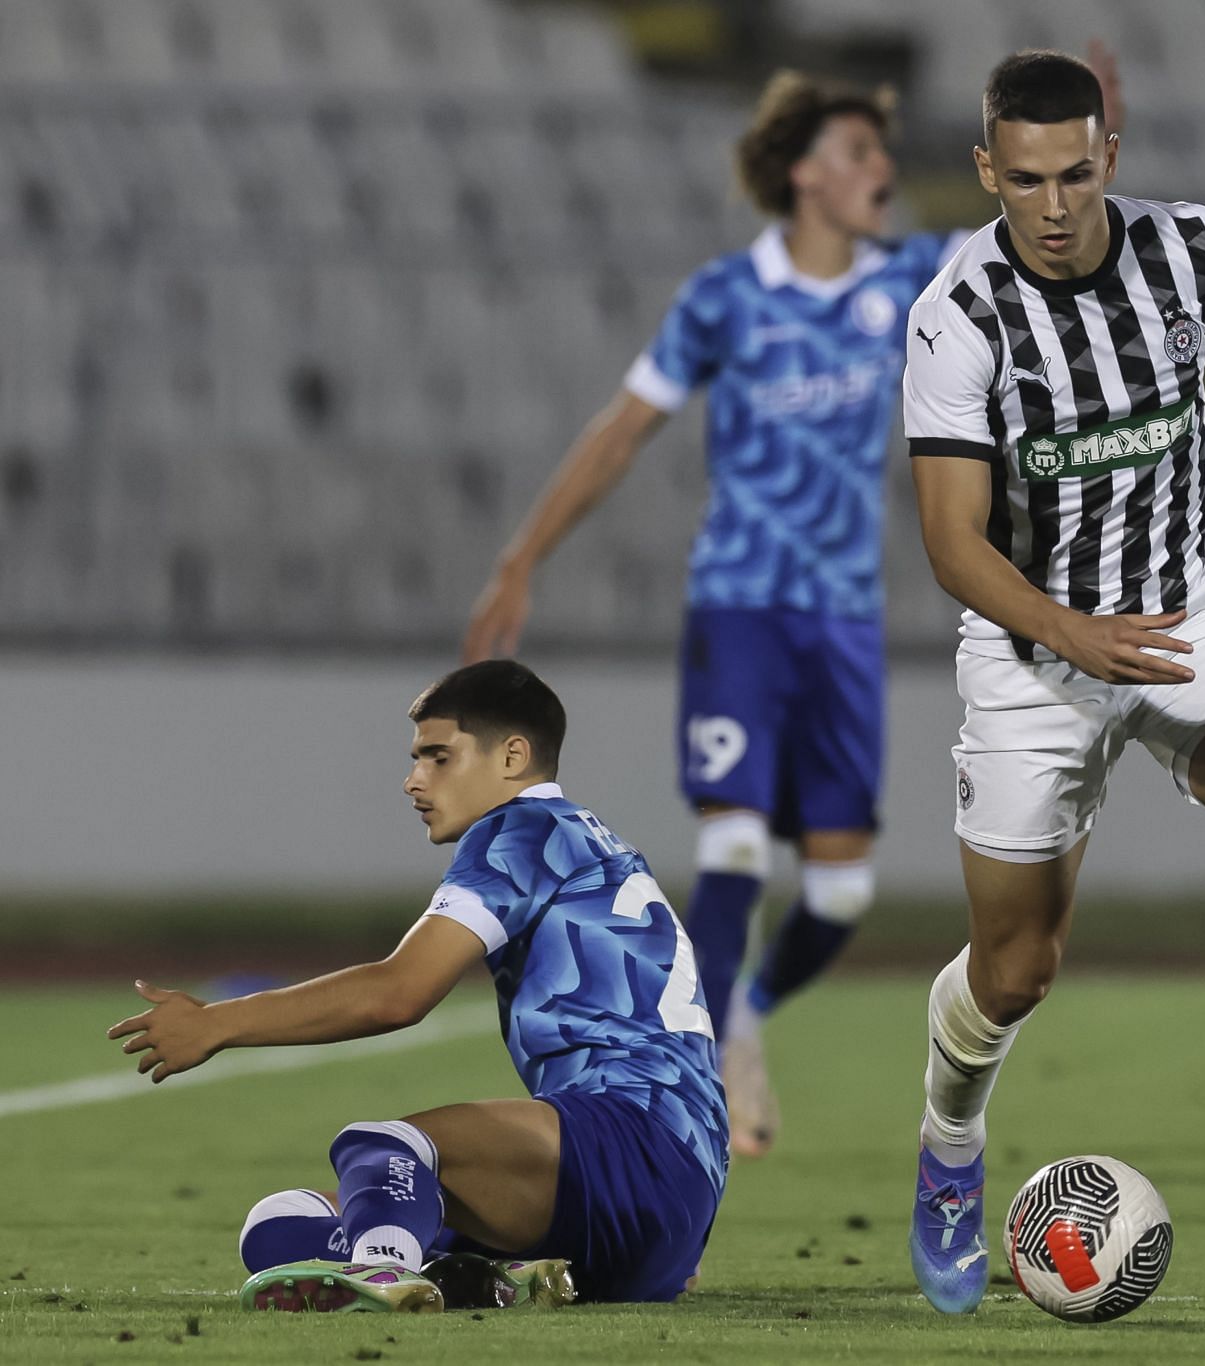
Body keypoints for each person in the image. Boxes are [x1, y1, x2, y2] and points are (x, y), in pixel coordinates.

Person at [461, 57, 1121, 1158]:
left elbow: (1042, 256)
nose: (881, 170)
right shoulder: (725, 297)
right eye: (861, 151)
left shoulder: (912, 278)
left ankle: (748, 1013)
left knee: (843, 887)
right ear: (807, 173)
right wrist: (523, 556)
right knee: (729, 850)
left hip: (844, 623)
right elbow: (624, 427)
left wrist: (1099, 153)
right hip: (741, 612)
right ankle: (707, 1058)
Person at [898, 51, 1205, 1313]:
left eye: (1076, 175)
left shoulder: (1196, 251)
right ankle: (948, 1148)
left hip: (1192, 612)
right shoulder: (958, 313)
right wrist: (1070, 636)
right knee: (1016, 968)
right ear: (989, 170)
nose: (1052, 205)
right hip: (1033, 650)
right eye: (1026, 179)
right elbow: (950, 539)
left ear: (1112, 157)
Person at [106, 660, 727, 1311]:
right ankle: (484, 1280)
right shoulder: (593, 841)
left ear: (512, 755)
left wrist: (217, 1024)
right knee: (281, 1223)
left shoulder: (520, 830)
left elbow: (400, 991)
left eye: (438, 757)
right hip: (667, 1193)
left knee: (385, 1146)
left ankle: (383, 1274)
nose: (413, 781)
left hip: (626, 1139)